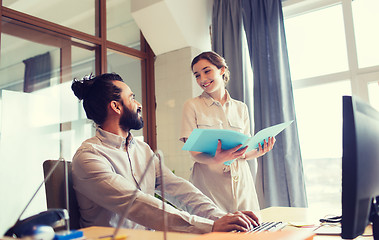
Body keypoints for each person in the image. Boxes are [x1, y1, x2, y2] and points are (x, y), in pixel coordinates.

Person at [71, 73, 260, 234]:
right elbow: (135, 203)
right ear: (116, 107)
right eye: (132, 98)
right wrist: (210, 226)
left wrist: (221, 218)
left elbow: (179, 189)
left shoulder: (142, 150)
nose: (139, 105)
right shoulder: (89, 157)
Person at [180, 51, 275, 213]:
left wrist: (259, 151)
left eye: (207, 71)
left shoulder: (241, 108)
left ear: (222, 70)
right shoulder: (192, 105)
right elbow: (194, 152)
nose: (202, 79)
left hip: (241, 183)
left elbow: (242, 152)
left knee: (248, 232)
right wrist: (216, 158)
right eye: (197, 75)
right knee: (213, 233)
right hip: (209, 185)